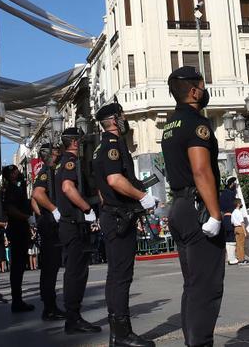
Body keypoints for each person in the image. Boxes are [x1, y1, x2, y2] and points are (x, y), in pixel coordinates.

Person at [161, 65, 225, 347]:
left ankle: (193, 342)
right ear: (194, 90)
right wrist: (214, 214)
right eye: (202, 84)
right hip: (197, 207)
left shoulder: (170, 125)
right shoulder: (197, 124)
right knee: (206, 287)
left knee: (192, 285)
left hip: (179, 205)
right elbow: (201, 170)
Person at [92, 101, 158, 347]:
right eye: (121, 116)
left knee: (115, 276)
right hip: (119, 217)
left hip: (114, 215)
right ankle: (122, 335)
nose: (124, 119)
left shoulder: (100, 147)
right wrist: (143, 197)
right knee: (121, 277)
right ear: (113, 120)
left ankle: (117, 333)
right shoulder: (111, 145)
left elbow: (102, 189)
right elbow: (114, 179)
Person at [55, 127, 101, 334]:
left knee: (76, 272)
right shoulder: (70, 162)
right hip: (73, 225)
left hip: (69, 225)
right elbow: (68, 188)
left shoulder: (60, 163)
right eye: (80, 140)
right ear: (74, 142)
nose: (81, 143)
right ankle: (73, 319)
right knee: (76, 273)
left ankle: (73, 317)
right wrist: (87, 208)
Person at [29, 142, 64, 320]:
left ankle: (50, 305)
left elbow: (33, 199)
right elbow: (37, 195)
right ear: (49, 154)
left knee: (50, 267)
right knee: (51, 267)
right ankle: (49, 308)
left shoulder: (46, 172)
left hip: (46, 223)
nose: (58, 154)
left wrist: (39, 214)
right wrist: (52, 210)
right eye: (56, 152)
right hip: (50, 226)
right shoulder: (47, 172)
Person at [2, 164, 35, 312]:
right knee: (17, 267)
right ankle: (17, 301)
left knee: (19, 267)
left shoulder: (16, 187)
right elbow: (11, 209)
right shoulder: (11, 189)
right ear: (10, 175)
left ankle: (18, 299)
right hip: (17, 229)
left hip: (20, 228)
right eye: (14, 171)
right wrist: (26, 217)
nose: (18, 172)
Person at [230, 198, 249, 265]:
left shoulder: (233, 212)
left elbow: (232, 222)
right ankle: (242, 259)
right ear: (238, 204)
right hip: (240, 228)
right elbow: (242, 222)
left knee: (238, 244)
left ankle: (239, 257)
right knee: (242, 244)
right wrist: (245, 231)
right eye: (240, 203)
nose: (241, 204)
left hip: (235, 228)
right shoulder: (239, 212)